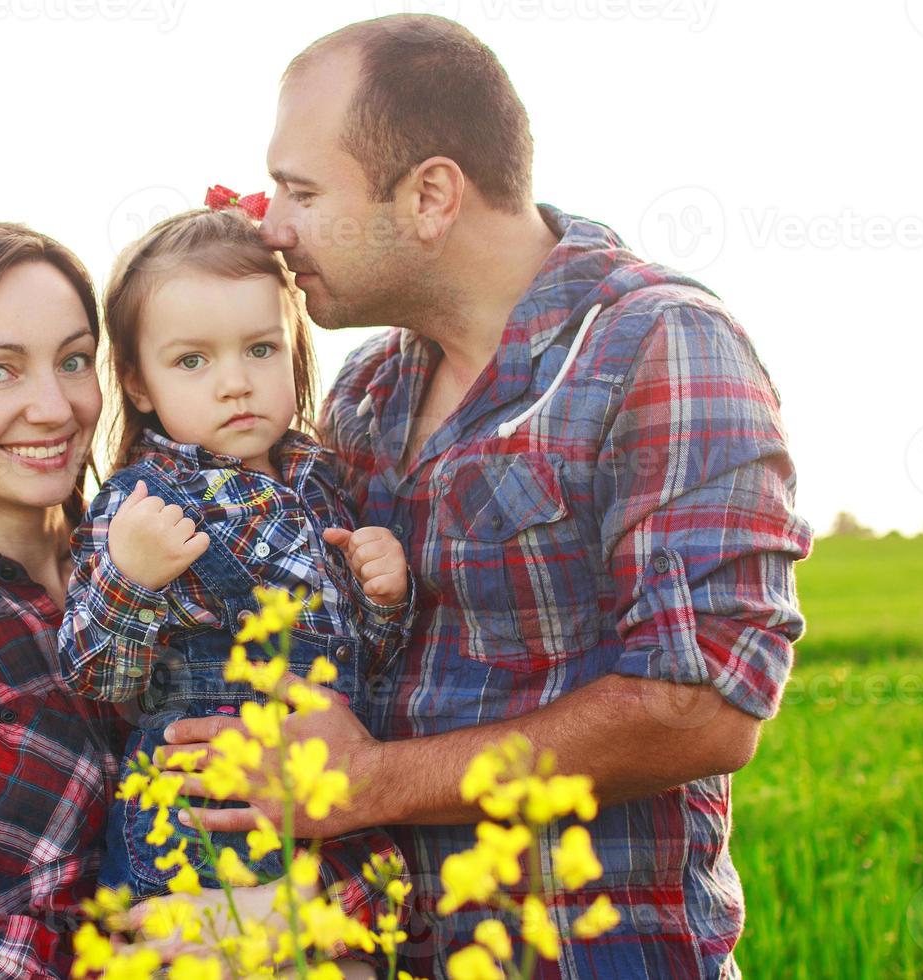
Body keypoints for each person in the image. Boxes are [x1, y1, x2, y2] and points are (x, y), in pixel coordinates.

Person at [161, 15, 814, 978]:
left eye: (301, 191)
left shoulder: (656, 347)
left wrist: (371, 784)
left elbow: (703, 705)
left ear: (430, 195)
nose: (271, 225)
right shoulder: (364, 392)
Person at [0, 219, 394, 978]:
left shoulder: (214, 551)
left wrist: (278, 915)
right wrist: (176, 947)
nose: (53, 407)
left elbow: (370, 808)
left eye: (74, 361)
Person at [56, 206, 414, 909]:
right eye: (192, 360)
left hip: (331, 815)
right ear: (137, 384)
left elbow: (366, 665)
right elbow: (95, 673)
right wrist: (130, 579)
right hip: (204, 823)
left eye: (260, 349)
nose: (235, 382)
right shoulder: (144, 503)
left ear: (294, 349)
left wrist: (384, 598)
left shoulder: (324, 483)